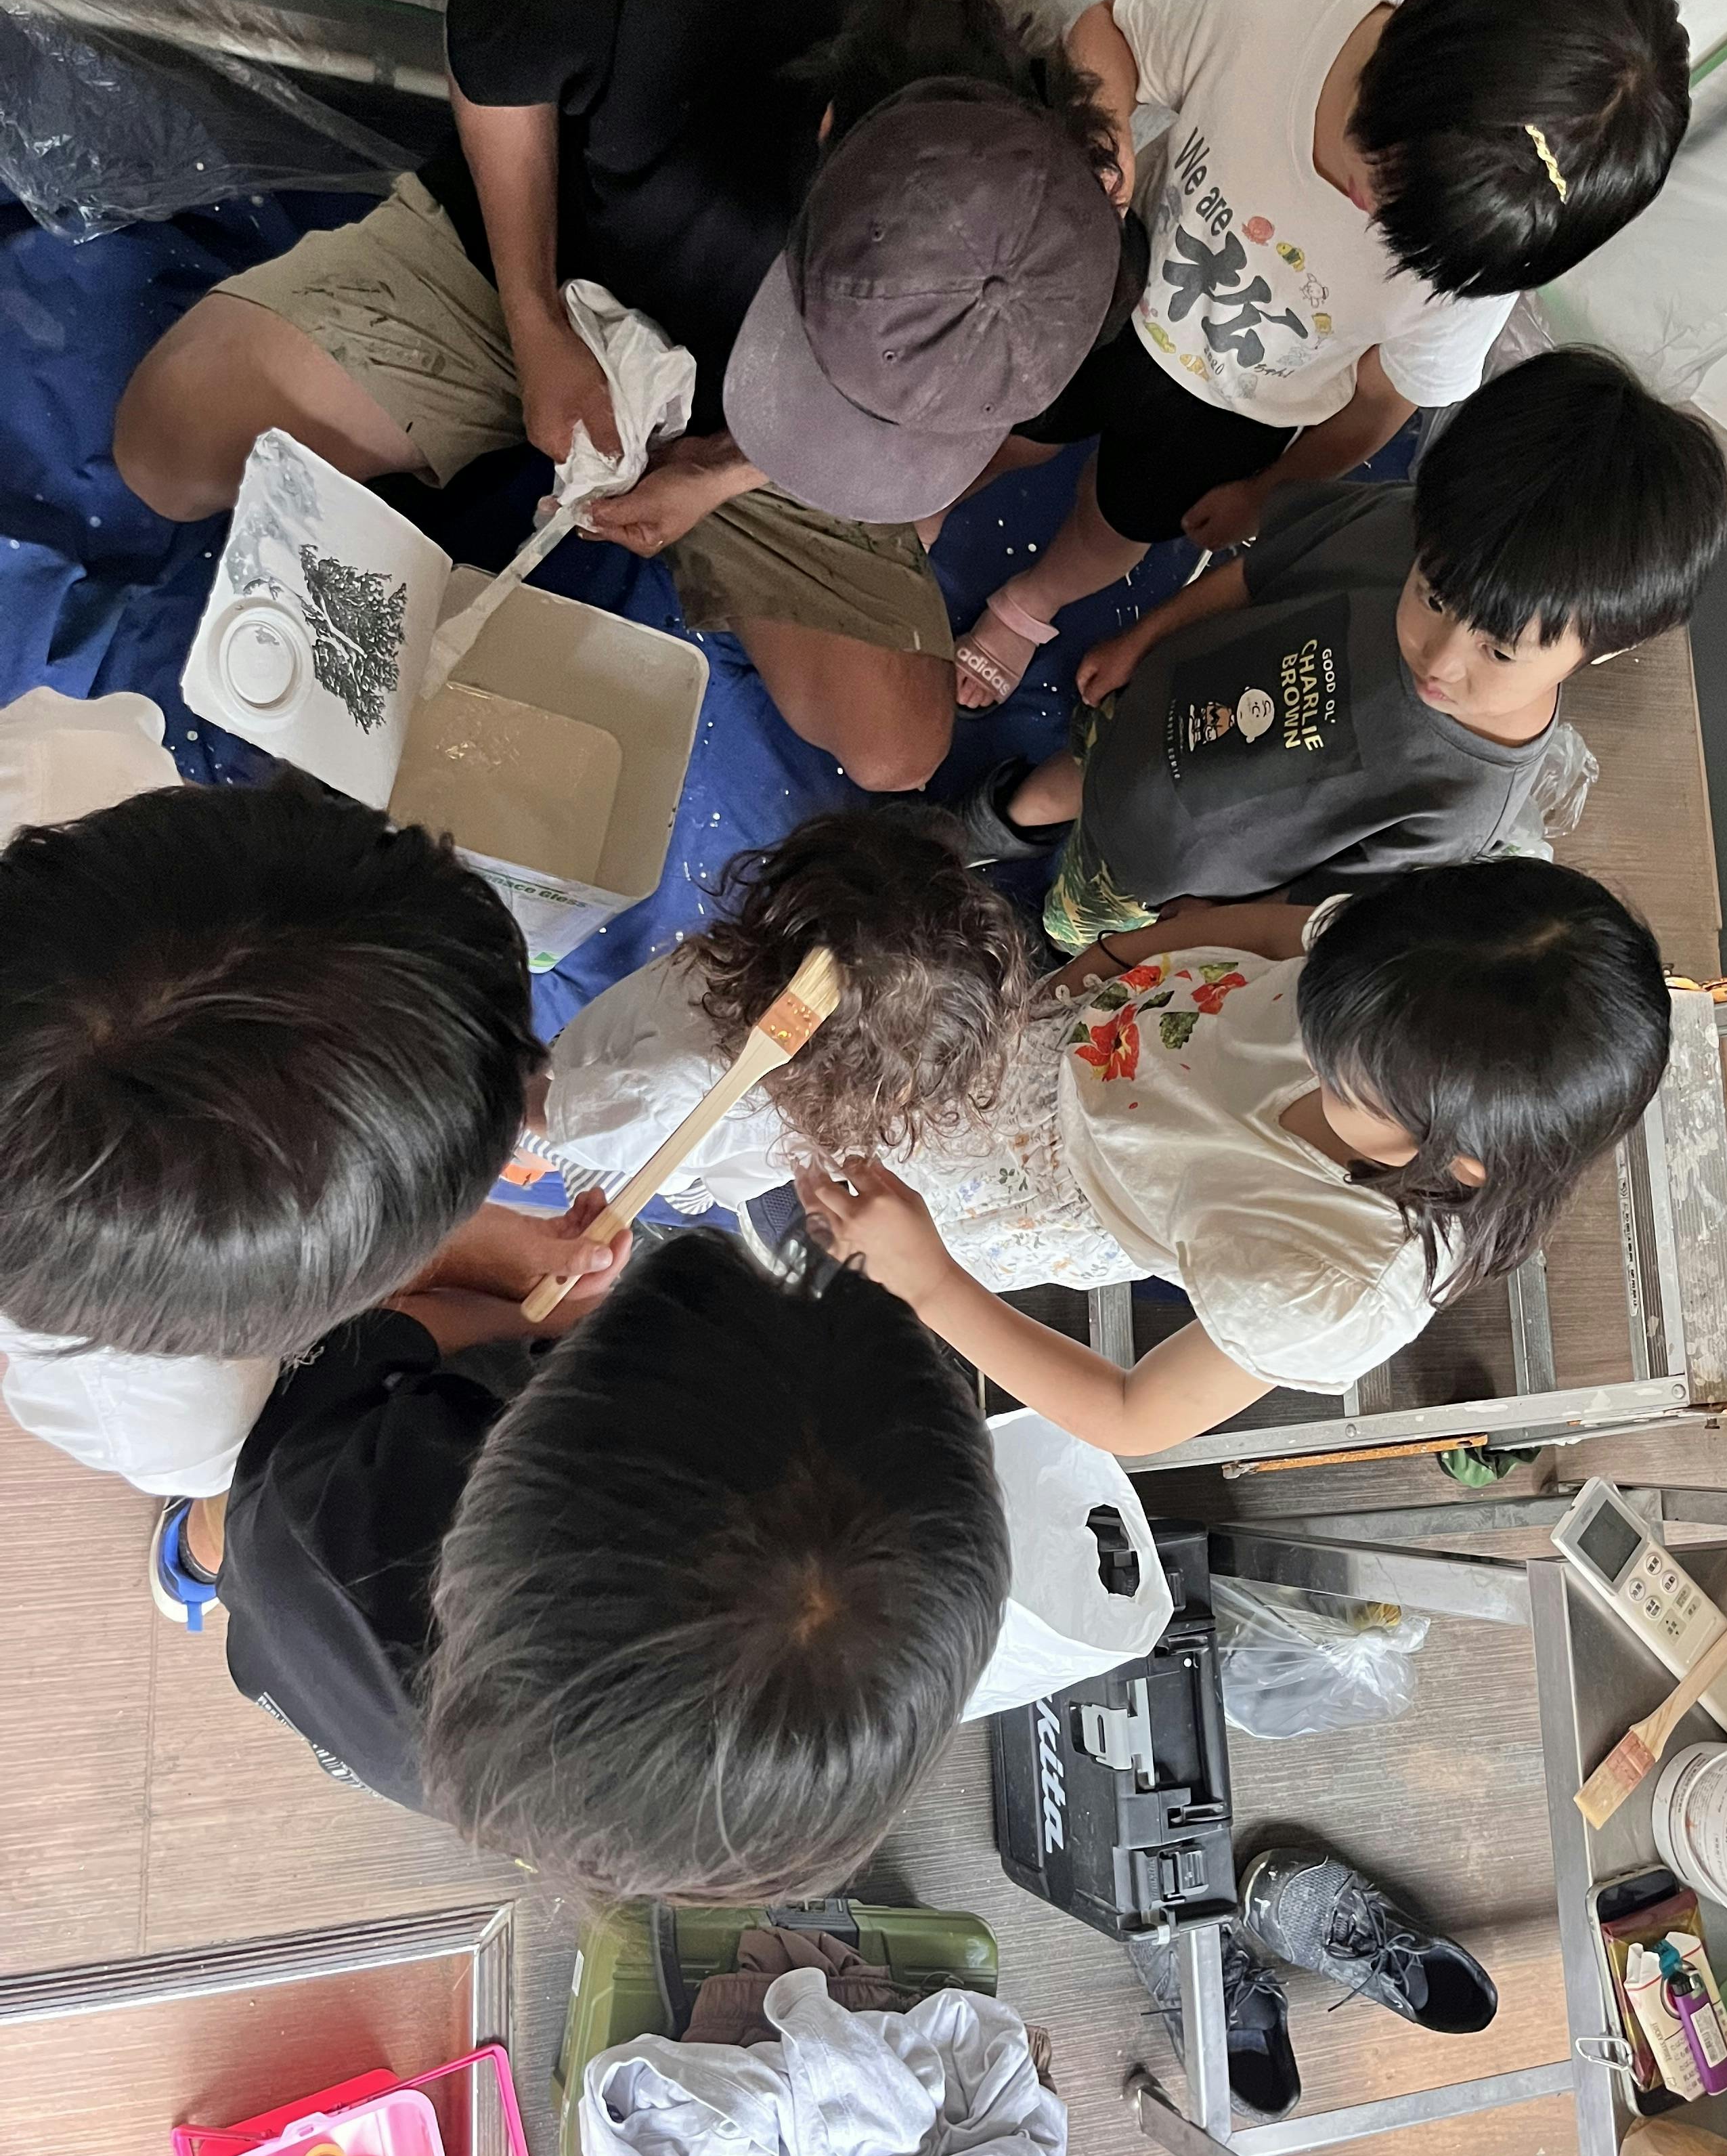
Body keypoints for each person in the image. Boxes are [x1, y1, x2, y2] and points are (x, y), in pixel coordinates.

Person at [113, 0, 1127, 792]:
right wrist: (534, 323)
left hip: (756, 438)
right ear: (824, 136)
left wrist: (722, 472)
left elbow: (972, 441)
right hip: (539, 272)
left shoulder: (1058, 273)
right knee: (168, 450)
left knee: (897, 749)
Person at [552, 859, 1672, 1457]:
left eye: (1341, 1075)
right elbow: (1272, 931)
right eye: (1317, 1008)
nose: (1309, 1039)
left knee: (805, 1141)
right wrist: (1125, 953)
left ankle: (649, 1159)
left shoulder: (1333, 1283)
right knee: (826, 1054)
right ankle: (611, 1120)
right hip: (1076, 1030)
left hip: (1035, 1189)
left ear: (1459, 1161)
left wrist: (929, 1281)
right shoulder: (1415, 967)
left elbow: (1134, 1416)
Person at [953, 0, 1692, 706]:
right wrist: (1106, 140)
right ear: (1410, 45)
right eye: (1383, 169)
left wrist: (1270, 490)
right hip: (1113, 288)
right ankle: (928, 504)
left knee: (1117, 524)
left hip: (1236, 413)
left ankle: (1029, 604)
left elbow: (1381, 401)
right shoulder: (1265, 16)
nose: (1371, 209)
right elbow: (1111, 30)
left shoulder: (1477, 270)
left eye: (1413, 238)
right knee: (1014, 426)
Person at [217, 1230, 1010, 1903]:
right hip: (402, 1754)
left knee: (223, 1507)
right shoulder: (665, 1815)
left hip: (279, 1588)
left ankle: (191, 1562)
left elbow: (392, 1332)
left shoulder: (321, 1507)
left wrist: (529, 1310)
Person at [0, 746, 615, 1614]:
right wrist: (462, 1268)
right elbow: (286, 1417)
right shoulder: (171, 1413)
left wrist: (462, 1250)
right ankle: (198, 1559)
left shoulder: (59, 764)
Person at [953, 348, 1727, 953]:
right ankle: (989, 826)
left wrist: (1212, 923)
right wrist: (1142, 638)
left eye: (1498, 652)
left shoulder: (1464, 803)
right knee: (1071, 776)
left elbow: (1321, 906)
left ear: (1603, 650)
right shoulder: (1405, 528)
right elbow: (1258, 571)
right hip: (1142, 711)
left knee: (1072, 919)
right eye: (1432, 598)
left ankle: (1056, 929)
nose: (1439, 660)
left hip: (1157, 867)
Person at [542, 806, 1030, 1211]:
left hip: (633, 1134)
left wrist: (522, 1103)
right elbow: (570, 1118)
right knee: (673, 1178)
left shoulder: (670, 1087)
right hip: (635, 1126)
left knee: (638, 1170)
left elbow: (564, 1120)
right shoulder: (872, 1098)